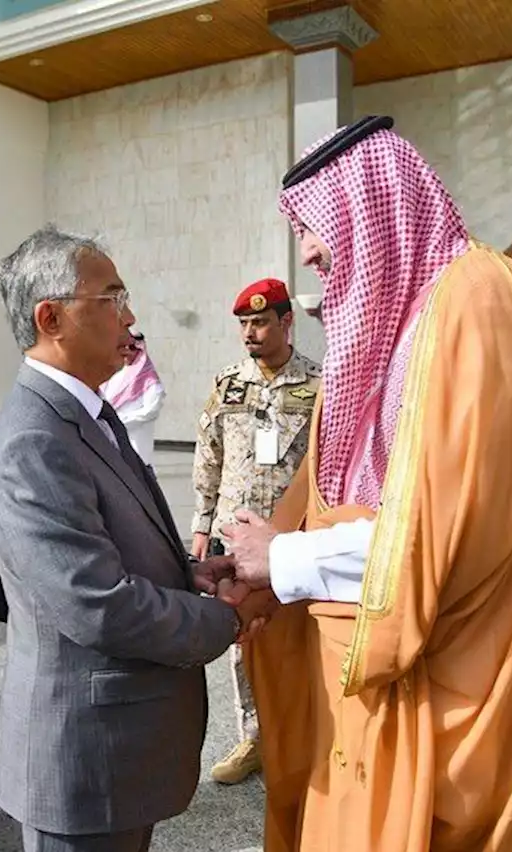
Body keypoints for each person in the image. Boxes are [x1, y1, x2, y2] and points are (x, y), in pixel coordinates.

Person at [223, 117, 512, 850]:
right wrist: (258, 573)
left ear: (369, 203)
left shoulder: (480, 301)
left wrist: (287, 561)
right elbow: (333, 488)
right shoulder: (404, 319)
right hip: (367, 661)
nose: (310, 250)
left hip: (444, 675)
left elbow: (460, 528)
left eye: (314, 225)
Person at [0, 225, 269, 852]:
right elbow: (97, 603)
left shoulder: (87, 411)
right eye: (112, 299)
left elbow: (111, 543)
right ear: (51, 317)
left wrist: (188, 574)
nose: (131, 317)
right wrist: (224, 619)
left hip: (118, 752)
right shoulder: (36, 440)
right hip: (83, 758)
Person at [190, 277, 320, 785]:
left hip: (294, 537)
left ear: (287, 322)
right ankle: (255, 738)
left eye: (261, 322)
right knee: (243, 638)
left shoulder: (316, 384)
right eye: (244, 323)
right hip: (236, 538)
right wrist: (201, 525)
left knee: (299, 636)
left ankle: (305, 731)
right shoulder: (228, 384)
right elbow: (209, 457)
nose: (251, 332)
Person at [99, 330, 165, 465]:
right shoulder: (113, 376)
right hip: (113, 440)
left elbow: (151, 411)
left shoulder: (150, 381)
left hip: (136, 442)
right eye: (125, 347)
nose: (128, 352)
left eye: (133, 348)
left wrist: (123, 421)